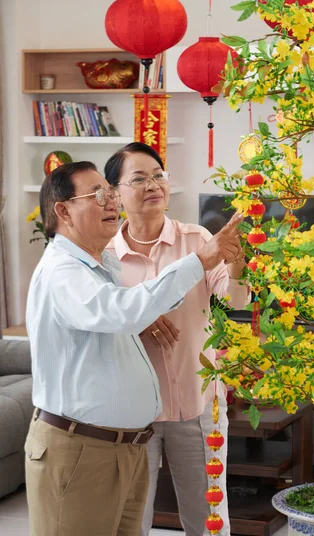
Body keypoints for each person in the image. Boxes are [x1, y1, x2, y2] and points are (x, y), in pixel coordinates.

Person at [25, 161, 243, 536]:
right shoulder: (63, 272)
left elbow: (229, 302)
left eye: (109, 194)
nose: (110, 202)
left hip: (130, 440)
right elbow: (120, 312)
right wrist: (198, 263)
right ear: (63, 211)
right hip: (84, 448)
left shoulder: (101, 266)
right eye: (99, 195)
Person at [105, 143, 250, 536]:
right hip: (132, 414)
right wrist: (140, 319)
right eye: (139, 178)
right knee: (130, 520)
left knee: (207, 520)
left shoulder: (197, 240)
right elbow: (100, 321)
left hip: (197, 403)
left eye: (158, 175)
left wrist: (236, 260)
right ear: (115, 192)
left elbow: (232, 301)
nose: (153, 184)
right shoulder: (104, 257)